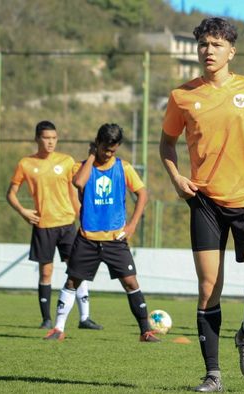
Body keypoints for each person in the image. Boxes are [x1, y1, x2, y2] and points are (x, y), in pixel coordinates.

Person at [159, 17, 244, 392]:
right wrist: (176, 176)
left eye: (216, 45)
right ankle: (213, 374)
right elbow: (166, 144)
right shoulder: (182, 96)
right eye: (203, 44)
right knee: (208, 285)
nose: (208, 51)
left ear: (232, 51)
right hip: (205, 201)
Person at [43, 123, 159, 343]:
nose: (108, 154)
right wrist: (90, 157)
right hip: (87, 239)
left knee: (131, 283)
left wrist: (132, 225)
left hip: (115, 239)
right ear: (97, 144)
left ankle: (146, 331)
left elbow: (142, 194)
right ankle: (58, 329)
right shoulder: (82, 167)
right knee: (72, 282)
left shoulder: (123, 167)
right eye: (105, 148)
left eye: (113, 150)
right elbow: (78, 182)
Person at [6, 120, 102, 330]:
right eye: (46, 138)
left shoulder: (66, 161)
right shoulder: (26, 164)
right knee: (46, 273)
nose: (50, 142)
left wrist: (83, 219)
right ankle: (46, 319)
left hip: (67, 224)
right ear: (37, 139)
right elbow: (10, 194)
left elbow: (74, 192)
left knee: (77, 270)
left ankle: (85, 317)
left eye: (54, 138)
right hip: (43, 225)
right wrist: (23, 211)